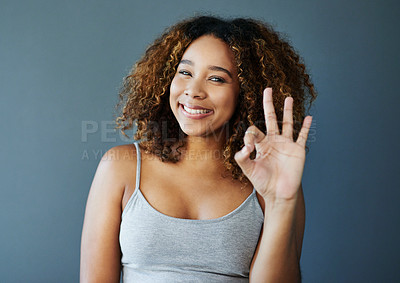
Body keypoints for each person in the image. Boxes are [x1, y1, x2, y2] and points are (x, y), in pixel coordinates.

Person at [80, 15, 317, 283]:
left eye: (216, 79)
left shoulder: (272, 184)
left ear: (247, 92)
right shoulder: (121, 167)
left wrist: (280, 203)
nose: (193, 90)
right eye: (185, 72)